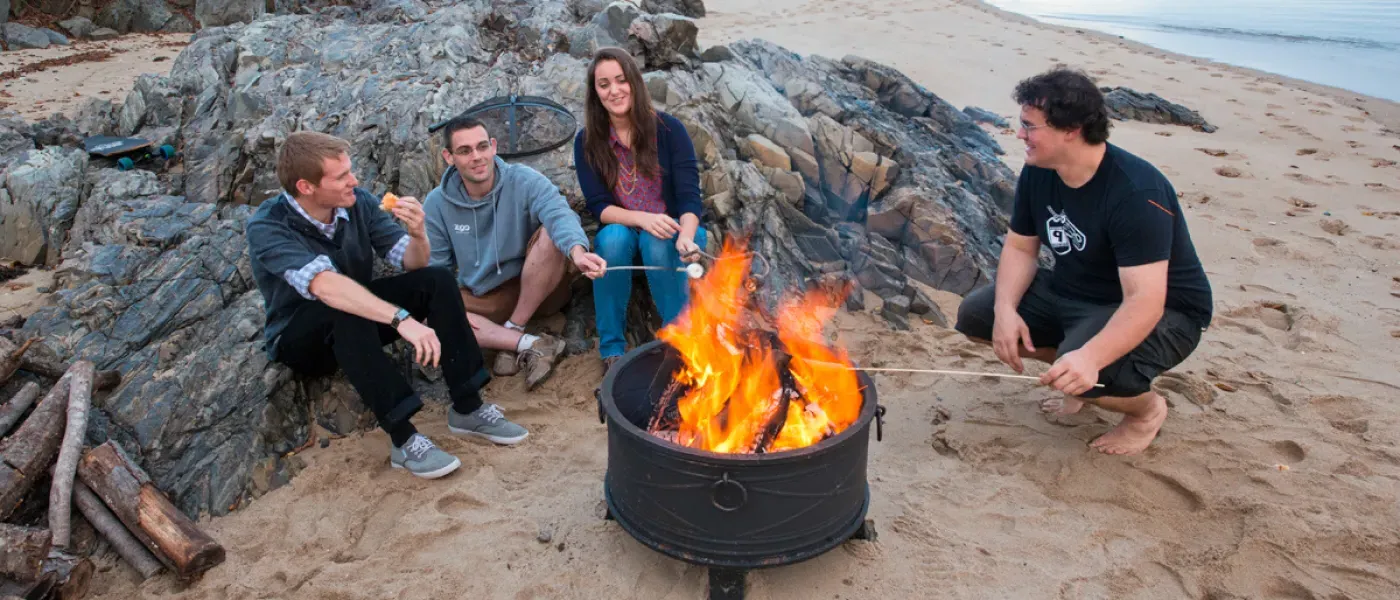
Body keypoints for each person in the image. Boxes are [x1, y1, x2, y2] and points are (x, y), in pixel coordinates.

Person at [953, 67, 1213, 456]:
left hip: (1164, 312)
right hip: (1075, 290)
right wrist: (1006, 310)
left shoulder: (1136, 191)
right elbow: (1021, 248)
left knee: (1096, 375)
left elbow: (1144, 300)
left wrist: (1090, 358)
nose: (1020, 135)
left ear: (1071, 129)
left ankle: (1146, 411)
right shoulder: (1040, 171)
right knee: (978, 317)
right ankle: (1072, 367)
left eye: (1029, 126)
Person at [246, 131, 528, 480]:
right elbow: (326, 287)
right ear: (306, 187)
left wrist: (419, 234)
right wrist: (402, 320)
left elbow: (411, 263)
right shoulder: (268, 225)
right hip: (301, 337)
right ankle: (404, 439)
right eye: (342, 176)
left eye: (351, 171)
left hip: (361, 317)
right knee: (343, 308)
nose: (355, 180)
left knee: (436, 280)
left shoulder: (357, 202)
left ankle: (468, 406)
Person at [423, 116, 607, 390]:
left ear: (493, 146)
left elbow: (559, 215)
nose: (477, 157)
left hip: (538, 288)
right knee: (426, 312)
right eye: (465, 151)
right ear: (449, 157)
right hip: (485, 297)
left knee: (550, 233)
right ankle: (530, 343)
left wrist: (578, 253)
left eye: (482, 146)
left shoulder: (523, 179)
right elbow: (436, 271)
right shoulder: (436, 203)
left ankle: (514, 328)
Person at [574, 47, 707, 373]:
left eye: (621, 80)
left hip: (675, 229)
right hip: (626, 225)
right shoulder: (587, 141)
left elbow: (691, 199)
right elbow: (598, 206)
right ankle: (612, 352)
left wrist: (686, 238)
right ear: (596, 92)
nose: (614, 90)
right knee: (613, 240)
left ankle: (681, 344)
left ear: (634, 81)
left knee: (657, 240)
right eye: (604, 84)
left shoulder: (669, 129)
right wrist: (643, 219)